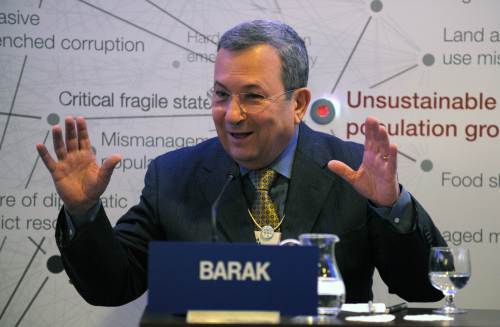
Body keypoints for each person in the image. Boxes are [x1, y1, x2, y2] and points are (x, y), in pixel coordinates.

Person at [36, 20, 445, 306]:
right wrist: (83, 214)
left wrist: (391, 207)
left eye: (252, 96)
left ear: (299, 103)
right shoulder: (174, 176)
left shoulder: (352, 169)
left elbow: (424, 289)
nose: (232, 115)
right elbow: (113, 287)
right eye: (220, 94)